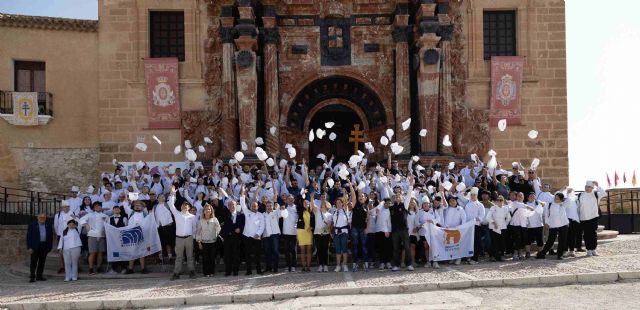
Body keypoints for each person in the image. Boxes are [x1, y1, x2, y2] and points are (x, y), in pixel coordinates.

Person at [168, 187, 197, 280]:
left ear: (189, 207)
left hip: (189, 238)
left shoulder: (192, 216)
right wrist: (172, 195)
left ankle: (192, 272)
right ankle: (176, 273)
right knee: (179, 257)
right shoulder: (177, 214)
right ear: (181, 207)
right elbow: (170, 204)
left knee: (190, 256)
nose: (185, 206)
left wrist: (194, 238)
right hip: (179, 238)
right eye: (183, 205)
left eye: (186, 205)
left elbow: (194, 228)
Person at [239, 189, 265, 275]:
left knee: (257, 254)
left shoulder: (260, 215)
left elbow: (262, 226)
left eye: (255, 206)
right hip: (247, 236)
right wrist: (242, 194)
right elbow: (242, 204)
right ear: (250, 207)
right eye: (252, 206)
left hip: (257, 237)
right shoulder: (247, 212)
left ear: (257, 207)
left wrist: (258, 234)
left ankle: (258, 270)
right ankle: (248, 271)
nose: (254, 207)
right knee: (248, 254)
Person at [577, 181, 606, 256]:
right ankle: (588, 250)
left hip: (593, 217)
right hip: (583, 218)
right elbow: (578, 207)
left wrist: (598, 185)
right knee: (586, 234)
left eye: (589, 187)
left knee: (593, 234)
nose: (587, 188)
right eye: (586, 186)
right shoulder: (580, 195)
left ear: (592, 188)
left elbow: (604, 193)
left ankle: (594, 249)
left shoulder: (596, 194)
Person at [79, 201, 109, 275]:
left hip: (102, 236)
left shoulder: (105, 216)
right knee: (92, 253)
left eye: (99, 206)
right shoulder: (90, 214)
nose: (98, 207)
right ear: (93, 207)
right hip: (92, 235)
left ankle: (99, 267)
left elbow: (108, 225)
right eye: (96, 206)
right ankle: (91, 268)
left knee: (100, 253)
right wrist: (86, 224)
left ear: (101, 207)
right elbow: (81, 220)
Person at [537, 193, 569, 260]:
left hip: (563, 224)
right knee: (550, 240)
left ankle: (559, 255)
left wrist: (567, 192)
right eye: (555, 198)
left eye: (557, 198)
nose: (556, 199)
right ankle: (542, 253)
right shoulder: (549, 204)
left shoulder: (563, 204)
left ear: (561, 199)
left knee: (562, 240)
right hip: (553, 225)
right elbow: (546, 214)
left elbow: (569, 199)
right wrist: (546, 223)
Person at [219, 199, 244, 276]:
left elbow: (243, 225)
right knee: (227, 255)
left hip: (237, 238)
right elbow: (223, 225)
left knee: (236, 255)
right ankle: (228, 271)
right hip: (227, 238)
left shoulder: (241, 215)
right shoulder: (225, 215)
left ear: (236, 205)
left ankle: (235, 270)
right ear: (228, 207)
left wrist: (240, 229)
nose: (232, 206)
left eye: (233, 205)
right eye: (230, 205)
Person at [26, 213, 53, 282]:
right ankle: (32, 276)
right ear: (37, 218)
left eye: (44, 217)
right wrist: (29, 247)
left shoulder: (48, 225)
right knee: (33, 262)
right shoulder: (32, 225)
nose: (42, 219)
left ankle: (39, 276)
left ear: (45, 218)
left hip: (44, 246)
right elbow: (29, 237)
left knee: (42, 262)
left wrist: (49, 247)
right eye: (40, 217)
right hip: (35, 246)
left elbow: (50, 237)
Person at [196, 204, 221, 277]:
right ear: (203, 211)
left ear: (211, 211)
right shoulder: (201, 221)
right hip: (204, 242)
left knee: (212, 258)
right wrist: (199, 242)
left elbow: (219, 229)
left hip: (213, 242)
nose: (207, 211)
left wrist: (217, 235)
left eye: (209, 209)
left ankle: (212, 272)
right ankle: (206, 272)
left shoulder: (215, 219)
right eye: (206, 210)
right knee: (205, 258)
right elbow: (198, 232)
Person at [349, 185, 369, 272]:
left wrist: (367, 228)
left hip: (363, 229)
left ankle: (366, 264)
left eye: (363, 196)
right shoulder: (355, 204)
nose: (361, 197)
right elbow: (353, 195)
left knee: (364, 246)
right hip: (355, 228)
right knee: (355, 246)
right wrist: (351, 187)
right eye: (360, 196)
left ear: (365, 198)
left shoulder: (367, 207)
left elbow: (368, 219)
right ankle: (355, 264)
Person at [53, 200, 77, 274]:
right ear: (62, 207)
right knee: (61, 252)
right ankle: (62, 266)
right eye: (64, 207)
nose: (66, 208)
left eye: (67, 207)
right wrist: (59, 234)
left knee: (72, 251)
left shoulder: (73, 214)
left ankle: (74, 266)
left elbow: (76, 224)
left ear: (69, 207)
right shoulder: (58, 215)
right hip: (61, 236)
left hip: (71, 235)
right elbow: (56, 225)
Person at [463, 187, 485, 264]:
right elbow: (465, 215)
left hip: (476, 226)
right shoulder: (467, 204)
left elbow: (482, 216)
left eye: (474, 195)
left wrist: (476, 219)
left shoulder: (480, 205)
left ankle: (475, 258)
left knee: (476, 242)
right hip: (468, 226)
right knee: (469, 242)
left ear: (477, 195)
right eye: (472, 195)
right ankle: (468, 257)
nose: (473, 196)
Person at [263, 200, 287, 273]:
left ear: (272, 206)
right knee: (267, 252)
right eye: (268, 206)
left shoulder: (276, 212)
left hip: (275, 235)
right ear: (265, 207)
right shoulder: (263, 214)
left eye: (270, 206)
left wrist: (282, 208)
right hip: (266, 235)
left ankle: (275, 268)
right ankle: (268, 267)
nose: (269, 207)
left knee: (275, 252)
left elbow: (283, 214)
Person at [485, 195, 511, 261]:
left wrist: (505, 224)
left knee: (502, 242)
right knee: (494, 242)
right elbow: (488, 217)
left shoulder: (505, 208)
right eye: (498, 200)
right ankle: (492, 256)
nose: (499, 201)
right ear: (496, 201)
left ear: (503, 201)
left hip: (502, 228)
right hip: (493, 228)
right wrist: (493, 222)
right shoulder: (493, 208)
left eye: (501, 200)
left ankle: (501, 255)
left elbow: (509, 218)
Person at [330, 197, 351, 272]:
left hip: (344, 232)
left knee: (344, 249)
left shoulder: (345, 210)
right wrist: (330, 232)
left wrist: (344, 193)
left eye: (340, 202)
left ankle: (345, 265)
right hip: (336, 232)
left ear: (342, 203)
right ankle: (338, 265)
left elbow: (345, 201)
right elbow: (332, 223)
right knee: (338, 250)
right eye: (337, 202)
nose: (338, 203)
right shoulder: (334, 211)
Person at [311, 193, 331, 272]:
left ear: (326, 206)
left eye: (323, 205)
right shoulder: (317, 212)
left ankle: (325, 265)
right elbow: (312, 205)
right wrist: (312, 197)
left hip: (326, 234)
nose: (321, 206)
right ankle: (320, 265)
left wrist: (325, 229)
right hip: (317, 234)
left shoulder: (329, 215)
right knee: (319, 250)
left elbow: (329, 225)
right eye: (321, 205)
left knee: (325, 250)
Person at [154, 191, 176, 263]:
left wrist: (172, 193)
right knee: (160, 243)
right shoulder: (155, 206)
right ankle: (160, 258)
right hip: (159, 228)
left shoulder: (168, 204)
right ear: (157, 198)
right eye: (160, 196)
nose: (162, 198)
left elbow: (173, 200)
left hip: (168, 227)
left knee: (168, 243)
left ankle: (170, 258)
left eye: (163, 196)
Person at [297, 194, 314, 272]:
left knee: (309, 250)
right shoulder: (300, 211)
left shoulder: (312, 212)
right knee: (302, 250)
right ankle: (303, 266)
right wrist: (302, 194)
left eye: (307, 203)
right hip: (301, 232)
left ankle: (308, 266)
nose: (306, 204)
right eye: (304, 203)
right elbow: (299, 201)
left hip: (309, 232)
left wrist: (311, 227)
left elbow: (313, 222)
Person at [108, 205, 128, 273]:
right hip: (113, 240)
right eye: (115, 209)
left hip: (121, 239)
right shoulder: (109, 218)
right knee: (114, 253)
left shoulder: (124, 218)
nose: (116, 210)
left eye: (117, 209)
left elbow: (126, 228)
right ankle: (114, 268)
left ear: (120, 210)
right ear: (113, 210)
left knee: (123, 252)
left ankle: (123, 268)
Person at [282, 194, 299, 272]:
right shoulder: (284, 207)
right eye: (289, 199)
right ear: (286, 200)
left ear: (294, 200)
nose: (290, 200)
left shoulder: (297, 207)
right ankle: (287, 265)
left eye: (291, 199)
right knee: (286, 250)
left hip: (294, 232)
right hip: (286, 232)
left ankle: (293, 265)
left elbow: (298, 219)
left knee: (293, 250)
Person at [564, 188, 581, 257]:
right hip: (567, 220)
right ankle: (565, 250)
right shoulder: (565, 199)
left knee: (573, 236)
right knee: (566, 236)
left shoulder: (576, 200)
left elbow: (579, 209)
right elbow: (564, 207)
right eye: (569, 191)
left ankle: (572, 250)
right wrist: (567, 194)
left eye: (571, 191)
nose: (570, 192)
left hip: (575, 220)